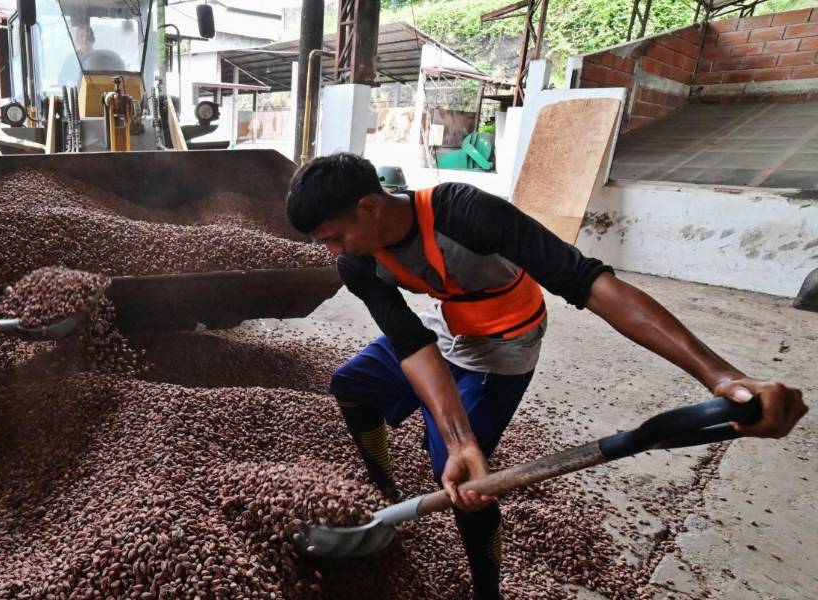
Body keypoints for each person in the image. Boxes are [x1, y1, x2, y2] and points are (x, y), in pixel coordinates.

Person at [285, 153, 807, 599]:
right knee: (352, 384)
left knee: (467, 480)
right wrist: (459, 432)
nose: (332, 251)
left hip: (503, 346)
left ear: (370, 207)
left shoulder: (465, 212)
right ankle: (385, 491)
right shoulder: (358, 263)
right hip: (445, 330)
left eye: (335, 236)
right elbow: (410, 343)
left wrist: (721, 377)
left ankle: (487, 589)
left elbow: (589, 283)